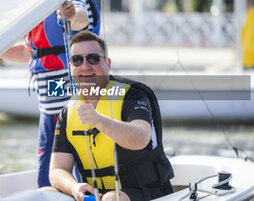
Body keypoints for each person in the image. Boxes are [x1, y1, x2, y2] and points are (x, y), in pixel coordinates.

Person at [49, 31, 174, 201]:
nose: (85, 66)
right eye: (77, 60)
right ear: (71, 67)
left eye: (93, 58)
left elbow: (141, 138)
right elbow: (57, 170)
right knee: (46, 193)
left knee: (111, 199)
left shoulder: (133, 95)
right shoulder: (67, 112)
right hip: (95, 196)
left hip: (145, 193)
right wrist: (74, 187)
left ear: (107, 64)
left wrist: (99, 121)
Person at [1, 0, 100, 187]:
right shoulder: (39, 0)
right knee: (46, 167)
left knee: (75, 156)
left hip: (66, 88)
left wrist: (71, 13)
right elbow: (28, 53)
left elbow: (81, 19)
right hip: (47, 102)